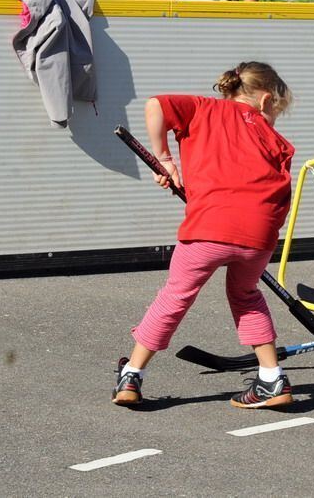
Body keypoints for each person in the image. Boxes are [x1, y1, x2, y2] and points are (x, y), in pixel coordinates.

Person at [113, 62, 296, 409]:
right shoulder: (275, 140)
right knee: (246, 296)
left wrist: (165, 159)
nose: (274, 118)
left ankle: (132, 375)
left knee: (175, 296)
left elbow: (155, 105)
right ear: (266, 100)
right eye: (276, 111)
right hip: (258, 234)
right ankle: (272, 378)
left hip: (207, 228)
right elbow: (280, 194)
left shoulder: (202, 108)